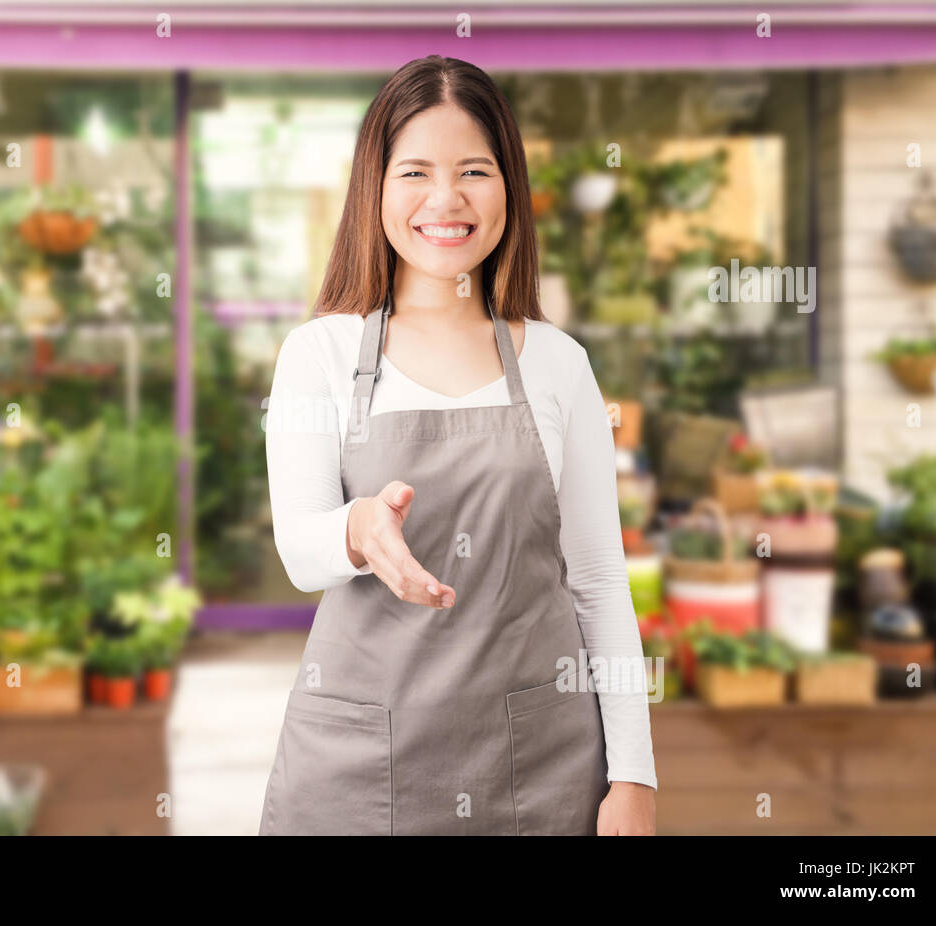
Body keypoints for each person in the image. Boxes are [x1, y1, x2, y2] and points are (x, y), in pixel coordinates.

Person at [258, 55, 657, 835]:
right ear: (375, 188)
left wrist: (634, 777)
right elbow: (302, 555)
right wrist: (359, 528)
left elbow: (600, 580)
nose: (446, 199)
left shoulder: (556, 362)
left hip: (537, 767)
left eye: (474, 169)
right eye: (415, 172)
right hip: (355, 772)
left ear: (510, 185)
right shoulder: (321, 354)